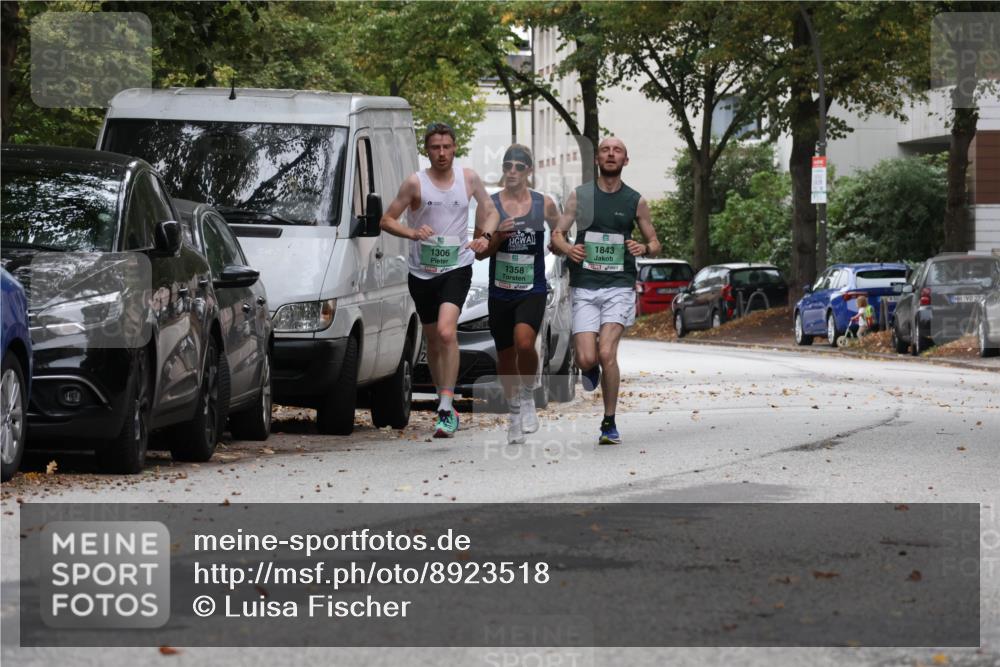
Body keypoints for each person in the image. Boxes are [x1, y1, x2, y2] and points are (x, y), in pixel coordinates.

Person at [380, 122, 499, 438]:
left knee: (447, 332)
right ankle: (442, 396)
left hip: (457, 266)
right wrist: (412, 232)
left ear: (455, 147)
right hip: (422, 272)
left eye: (447, 146)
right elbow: (387, 219)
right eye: (435, 147)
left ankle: (446, 405)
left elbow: (490, 210)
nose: (442, 153)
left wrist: (484, 237)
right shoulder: (414, 183)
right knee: (433, 339)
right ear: (427, 150)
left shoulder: (468, 178)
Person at [551, 137, 661, 445]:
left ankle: (609, 422)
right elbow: (557, 234)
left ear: (626, 160)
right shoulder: (580, 196)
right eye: (605, 150)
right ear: (597, 159)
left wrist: (644, 247)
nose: (611, 154)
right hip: (585, 285)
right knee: (586, 359)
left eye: (617, 151)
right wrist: (568, 248)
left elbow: (654, 242)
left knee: (606, 352)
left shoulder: (635, 200)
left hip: (618, 286)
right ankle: (590, 370)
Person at [476, 145, 560, 444]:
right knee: (505, 354)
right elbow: (480, 254)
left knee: (525, 343)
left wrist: (558, 244)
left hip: (532, 288)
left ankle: (527, 396)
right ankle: (513, 414)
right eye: (507, 165)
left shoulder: (543, 203)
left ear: (529, 171)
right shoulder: (489, 206)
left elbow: (560, 229)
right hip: (500, 291)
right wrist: (498, 237)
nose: (512, 171)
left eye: (518, 166)